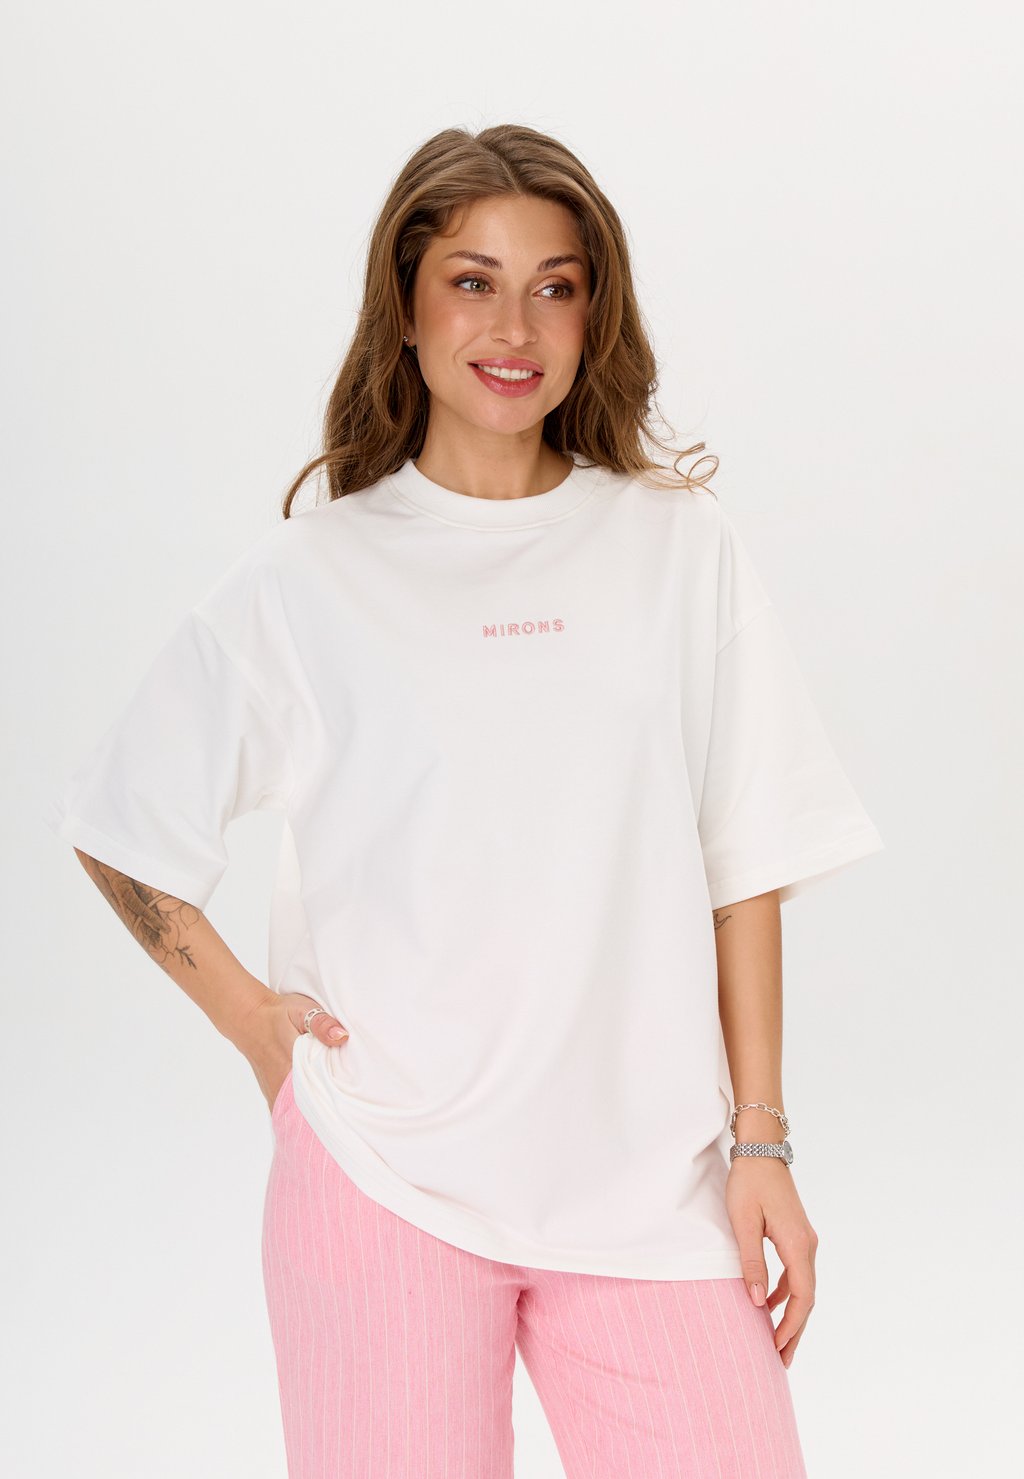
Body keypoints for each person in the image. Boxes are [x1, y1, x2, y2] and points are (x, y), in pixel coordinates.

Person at [45, 123, 884, 1478]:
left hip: (651, 1192)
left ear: (595, 315)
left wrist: (763, 1141)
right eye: (473, 282)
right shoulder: (311, 578)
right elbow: (122, 826)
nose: (515, 327)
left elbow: (747, 864)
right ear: (408, 305)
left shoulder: (678, 548)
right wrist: (257, 1028)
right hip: (385, 1179)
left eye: (556, 286)